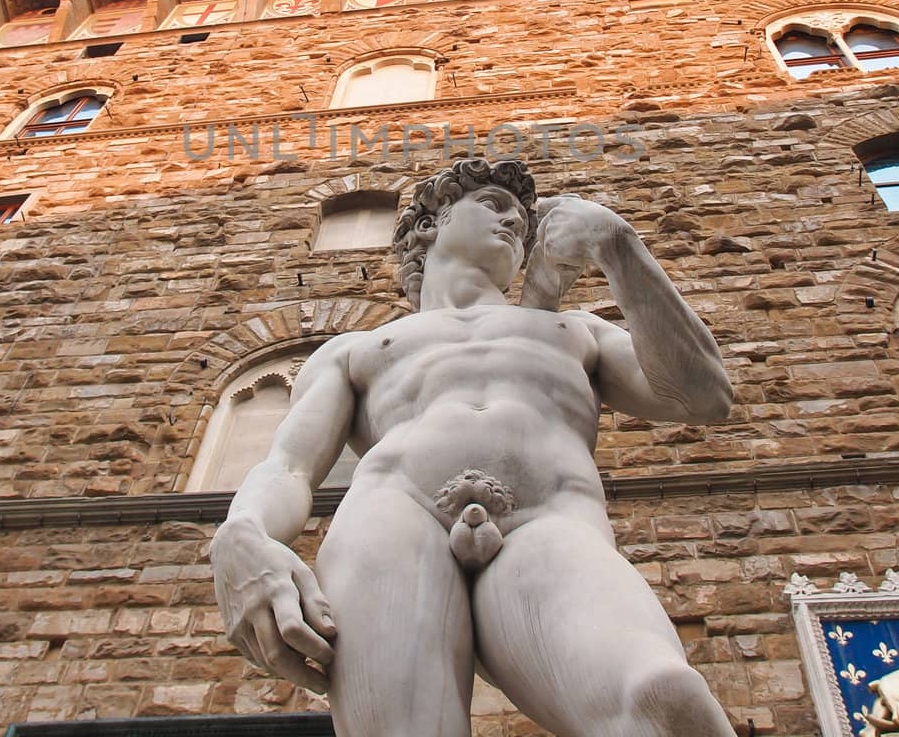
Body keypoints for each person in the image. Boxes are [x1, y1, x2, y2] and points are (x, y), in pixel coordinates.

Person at [210, 158, 736, 737]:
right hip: (392, 518)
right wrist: (243, 534)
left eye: (523, 217)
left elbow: (702, 395)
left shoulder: (573, 330)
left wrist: (618, 246)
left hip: (550, 521)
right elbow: (287, 464)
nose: (514, 219)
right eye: (493, 204)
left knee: (663, 700)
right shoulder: (359, 346)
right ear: (430, 225)